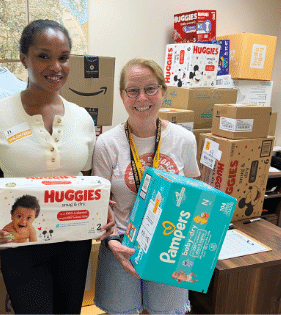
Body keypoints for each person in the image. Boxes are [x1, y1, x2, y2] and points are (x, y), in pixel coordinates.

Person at [0, 19, 112, 314]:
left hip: (74, 240)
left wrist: (103, 210)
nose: (56, 66)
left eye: (63, 57)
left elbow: (87, 182)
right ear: (24, 58)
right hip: (21, 241)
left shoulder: (83, 120)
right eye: (43, 56)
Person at [92, 57, 199, 314]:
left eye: (150, 88)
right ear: (122, 95)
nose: (142, 98)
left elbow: (195, 193)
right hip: (121, 243)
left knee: (167, 311)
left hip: (169, 244)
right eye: (133, 90)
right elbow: (100, 204)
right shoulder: (107, 144)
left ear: (163, 91)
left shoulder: (184, 140)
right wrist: (112, 242)